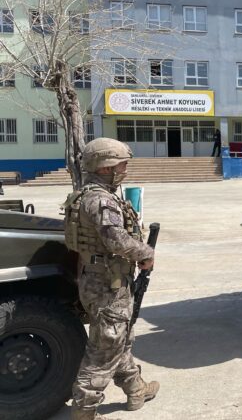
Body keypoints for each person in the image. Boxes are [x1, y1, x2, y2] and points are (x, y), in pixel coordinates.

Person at [63, 138, 160, 420]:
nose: (125, 171)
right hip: (107, 285)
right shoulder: (101, 200)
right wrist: (146, 253)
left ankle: (135, 388)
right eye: (121, 165)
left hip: (100, 280)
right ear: (105, 168)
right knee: (103, 350)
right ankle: (84, 410)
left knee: (119, 338)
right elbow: (116, 240)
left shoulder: (86, 195)